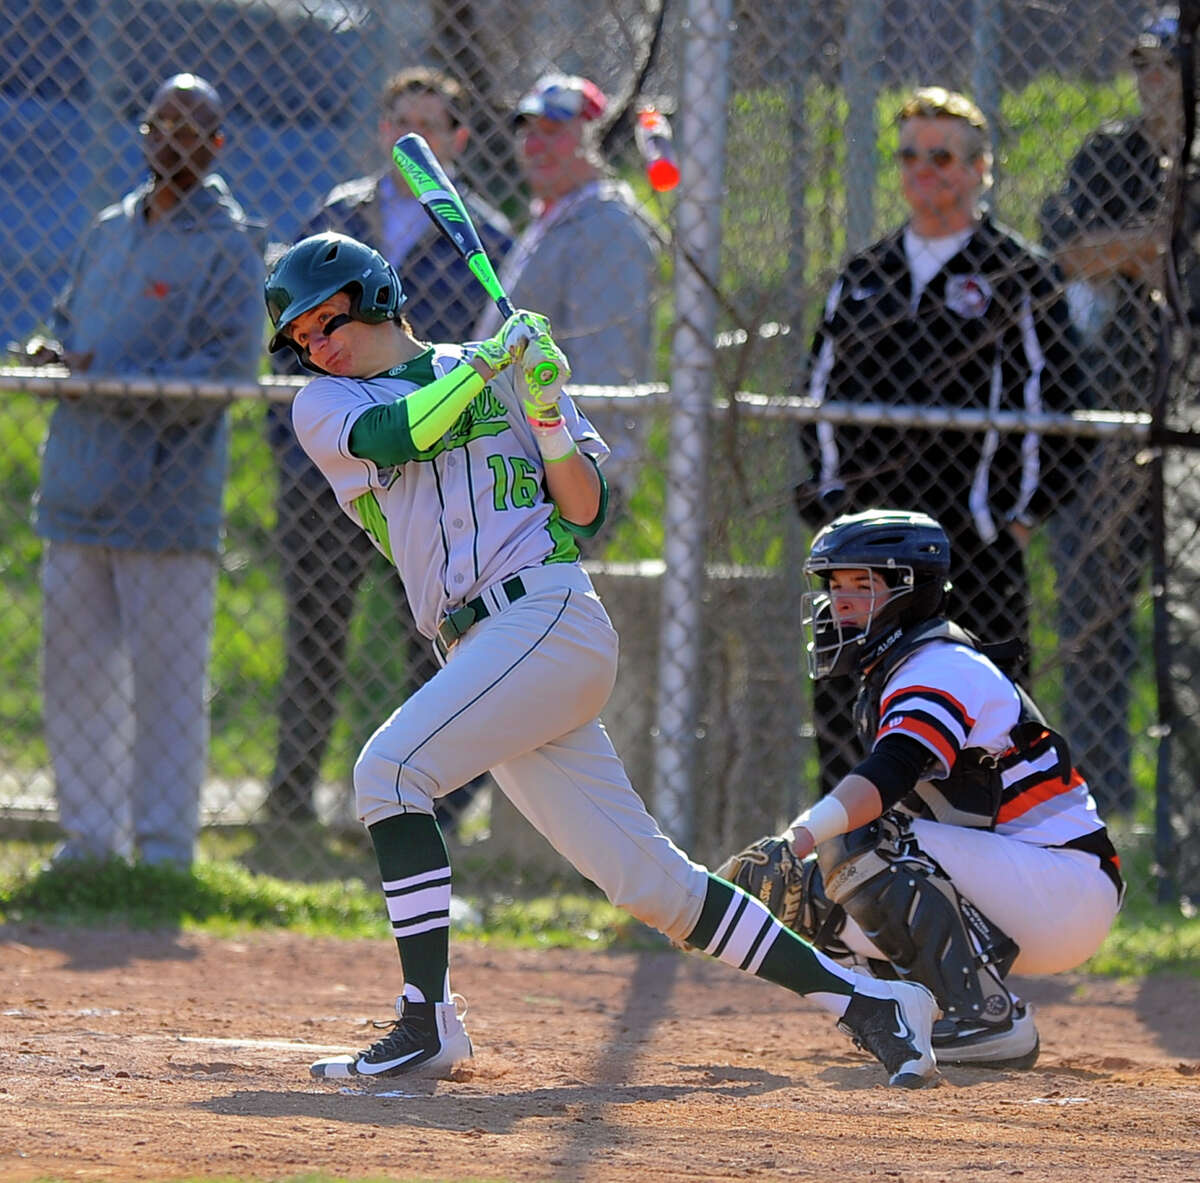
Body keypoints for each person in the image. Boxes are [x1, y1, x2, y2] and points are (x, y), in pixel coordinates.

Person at [262, 230, 942, 1089]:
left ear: (375, 296)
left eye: (329, 323)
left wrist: (545, 412)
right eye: (303, 341)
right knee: (651, 885)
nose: (320, 348)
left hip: (545, 615)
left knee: (389, 770)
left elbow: (583, 507)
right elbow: (404, 435)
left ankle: (427, 1020)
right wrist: (488, 369)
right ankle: (868, 1002)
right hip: (482, 649)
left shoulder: (502, 363)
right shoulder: (325, 407)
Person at [720, 509, 1123, 1069]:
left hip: (1063, 885)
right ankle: (912, 1012)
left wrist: (798, 837)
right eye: (835, 586)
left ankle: (984, 1018)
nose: (840, 603)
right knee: (813, 890)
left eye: (862, 585)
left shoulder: (940, 665)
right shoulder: (904, 669)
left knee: (856, 839)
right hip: (1023, 887)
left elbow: (891, 774)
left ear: (911, 593)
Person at [796, 86, 1083, 791]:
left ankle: (966, 886)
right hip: (864, 547)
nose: (925, 171)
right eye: (910, 156)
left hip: (970, 546)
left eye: (944, 157)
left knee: (975, 731)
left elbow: (1067, 408)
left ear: (981, 169)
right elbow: (817, 401)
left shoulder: (1019, 274)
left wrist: (1011, 517)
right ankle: (849, 877)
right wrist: (834, 514)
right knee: (850, 716)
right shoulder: (865, 275)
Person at [265, 67, 512, 827]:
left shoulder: (488, 236)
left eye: (434, 126)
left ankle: (425, 809)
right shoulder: (339, 216)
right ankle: (290, 803)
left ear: (456, 141)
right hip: (337, 469)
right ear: (383, 129)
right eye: (404, 121)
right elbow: (289, 340)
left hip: (439, 473)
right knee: (314, 633)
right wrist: (300, 451)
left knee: (435, 645)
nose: (417, 136)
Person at [28, 74, 265, 865]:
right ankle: (88, 841)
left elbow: (231, 367)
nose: (173, 141)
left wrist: (121, 381)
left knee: (167, 688)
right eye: (160, 125)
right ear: (142, 135)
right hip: (77, 493)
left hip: (165, 505)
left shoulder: (231, 244)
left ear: (219, 145)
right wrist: (58, 356)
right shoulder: (107, 228)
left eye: (193, 129)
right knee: (74, 677)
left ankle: (163, 851)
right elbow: (67, 323)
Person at [1038, 7, 1200, 815]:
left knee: (1190, 624)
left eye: (1169, 65)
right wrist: (1157, 245)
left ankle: (1187, 820)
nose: (1154, 81)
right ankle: (1105, 802)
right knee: (1095, 605)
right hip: (1111, 414)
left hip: (1193, 423)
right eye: (1144, 65)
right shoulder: (1109, 153)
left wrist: (1137, 252)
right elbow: (1066, 254)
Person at [475, 72, 659, 529]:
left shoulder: (606, 229)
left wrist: (580, 469)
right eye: (527, 133)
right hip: (531, 466)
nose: (535, 146)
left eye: (553, 133)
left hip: (572, 473)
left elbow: (604, 368)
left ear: (593, 139)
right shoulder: (557, 218)